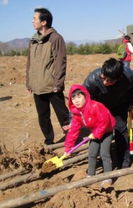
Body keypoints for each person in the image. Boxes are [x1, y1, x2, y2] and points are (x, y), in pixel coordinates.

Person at [83, 58, 133, 169]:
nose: (105, 82)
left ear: (118, 78)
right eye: (103, 78)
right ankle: (102, 160)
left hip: (120, 105)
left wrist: (130, 103)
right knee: (101, 133)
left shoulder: (129, 76)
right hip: (100, 108)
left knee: (121, 130)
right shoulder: (93, 79)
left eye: (110, 81)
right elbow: (81, 97)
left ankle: (124, 161)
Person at [26, 8, 69, 145]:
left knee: (63, 115)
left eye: (35, 18)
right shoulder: (33, 40)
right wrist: (29, 81)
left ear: (44, 22)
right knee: (43, 116)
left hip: (52, 86)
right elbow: (29, 62)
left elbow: (60, 62)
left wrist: (58, 83)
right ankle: (49, 141)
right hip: (38, 86)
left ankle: (71, 139)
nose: (32, 21)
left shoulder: (56, 38)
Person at [64, 85, 115, 185]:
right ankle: (91, 174)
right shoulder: (77, 113)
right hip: (94, 132)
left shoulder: (95, 106)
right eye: (73, 98)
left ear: (85, 96)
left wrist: (96, 133)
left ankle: (108, 176)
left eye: (79, 96)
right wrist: (68, 149)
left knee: (104, 153)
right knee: (92, 153)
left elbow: (104, 121)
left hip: (107, 131)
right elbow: (73, 131)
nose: (76, 100)